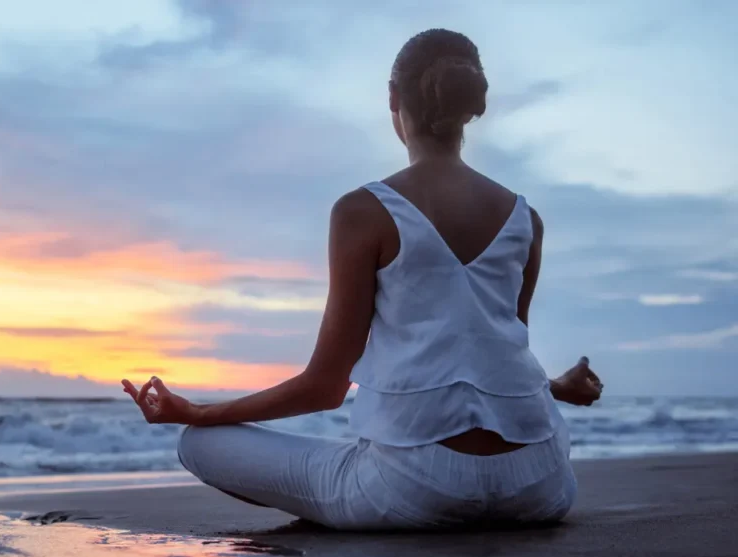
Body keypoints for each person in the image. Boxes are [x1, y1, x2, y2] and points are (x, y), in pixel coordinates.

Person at [122, 28, 603, 531]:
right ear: (470, 106)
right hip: (540, 484)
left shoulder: (363, 212)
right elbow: (489, 352)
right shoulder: (527, 219)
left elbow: (325, 388)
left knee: (199, 445)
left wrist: (196, 413)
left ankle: (344, 510)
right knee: (362, 451)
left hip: (416, 490)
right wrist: (552, 388)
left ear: (393, 99)